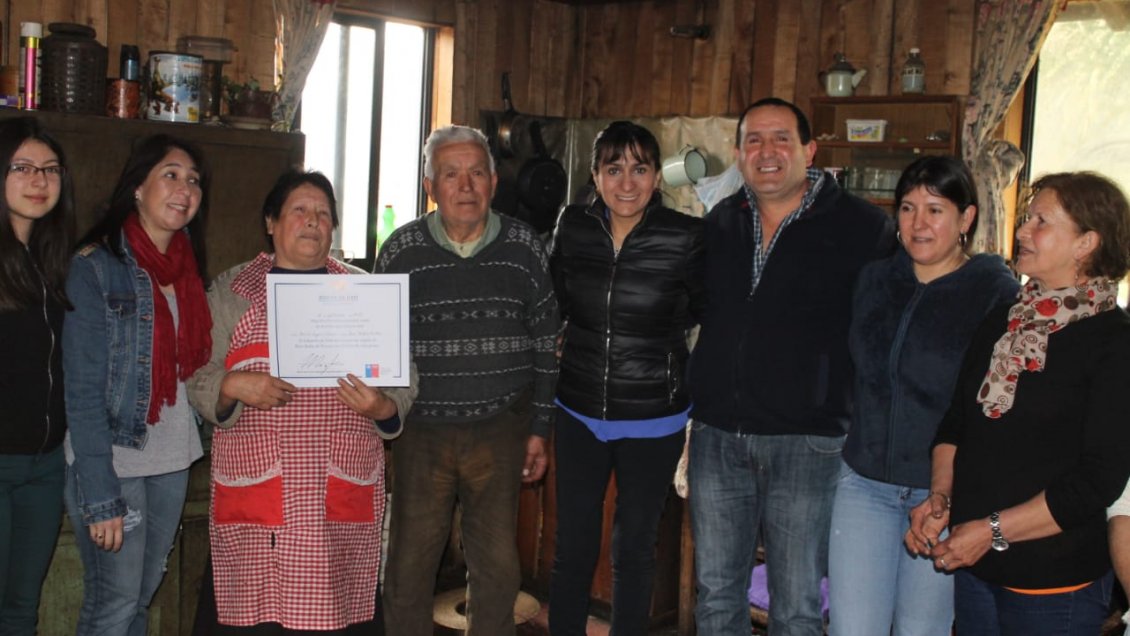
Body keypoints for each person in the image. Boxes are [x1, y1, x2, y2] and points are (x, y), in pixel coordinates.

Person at [687, 97, 894, 636]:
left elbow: (882, 337)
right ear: (737, 154)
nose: (767, 151)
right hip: (718, 434)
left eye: (781, 138)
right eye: (753, 140)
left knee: (798, 602)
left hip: (808, 441)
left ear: (809, 149)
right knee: (715, 595)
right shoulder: (721, 222)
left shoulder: (864, 228)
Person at [186, 170, 416, 634]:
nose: (313, 222)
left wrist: (382, 407)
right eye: (299, 211)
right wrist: (233, 385)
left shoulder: (363, 292)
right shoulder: (232, 293)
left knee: (337, 608)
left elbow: (405, 380)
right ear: (271, 222)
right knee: (253, 612)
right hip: (258, 489)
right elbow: (196, 372)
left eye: (323, 214)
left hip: (338, 487)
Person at [906, 172, 1130, 635]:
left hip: (1053, 585)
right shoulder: (1005, 318)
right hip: (977, 570)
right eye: (1027, 219)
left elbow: (1098, 479)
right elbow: (957, 423)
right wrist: (941, 497)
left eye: (1040, 222)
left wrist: (991, 530)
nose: (1023, 231)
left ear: (1086, 242)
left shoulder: (1113, 341)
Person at [376, 124, 559, 636]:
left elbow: (547, 343)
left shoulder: (524, 247)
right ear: (429, 185)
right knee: (410, 565)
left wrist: (540, 429)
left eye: (477, 172)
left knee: (498, 568)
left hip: (501, 427)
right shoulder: (399, 252)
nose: (465, 185)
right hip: (422, 432)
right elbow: (380, 349)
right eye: (451, 174)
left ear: (494, 182)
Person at [827, 156, 1018, 636]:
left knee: (921, 630)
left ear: (966, 219)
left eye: (935, 209)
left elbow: (993, 408)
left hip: (944, 499)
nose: (918, 223)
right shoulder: (874, 280)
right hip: (864, 484)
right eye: (908, 208)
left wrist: (950, 495)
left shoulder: (996, 293)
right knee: (853, 628)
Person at [547, 121, 705, 636]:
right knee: (573, 547)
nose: (627, 182)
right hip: (577, 409)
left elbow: (704, 314)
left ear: (657, 176)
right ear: (595, 175)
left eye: (640, 169)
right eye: (614, 169)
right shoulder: (572, 226)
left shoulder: (685, 236)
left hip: (653, 417)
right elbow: (557, 305)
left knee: (634, 549)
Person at [63, 135, 212, 635]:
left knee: (139, 602)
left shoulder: (188, 267)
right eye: (170, 174)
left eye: (193, 180)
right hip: (114, 462)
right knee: (113, 603)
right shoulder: (95, 267)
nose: (184, 188)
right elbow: (81, 392)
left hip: (170, 458)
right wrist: (101, 496)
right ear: (137, 188)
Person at [0, 117, 73, 634]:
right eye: (22, 168)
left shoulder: (56, 261)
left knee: (22, 610)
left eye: (49, 169)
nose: (38, 180)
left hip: (45, 468)